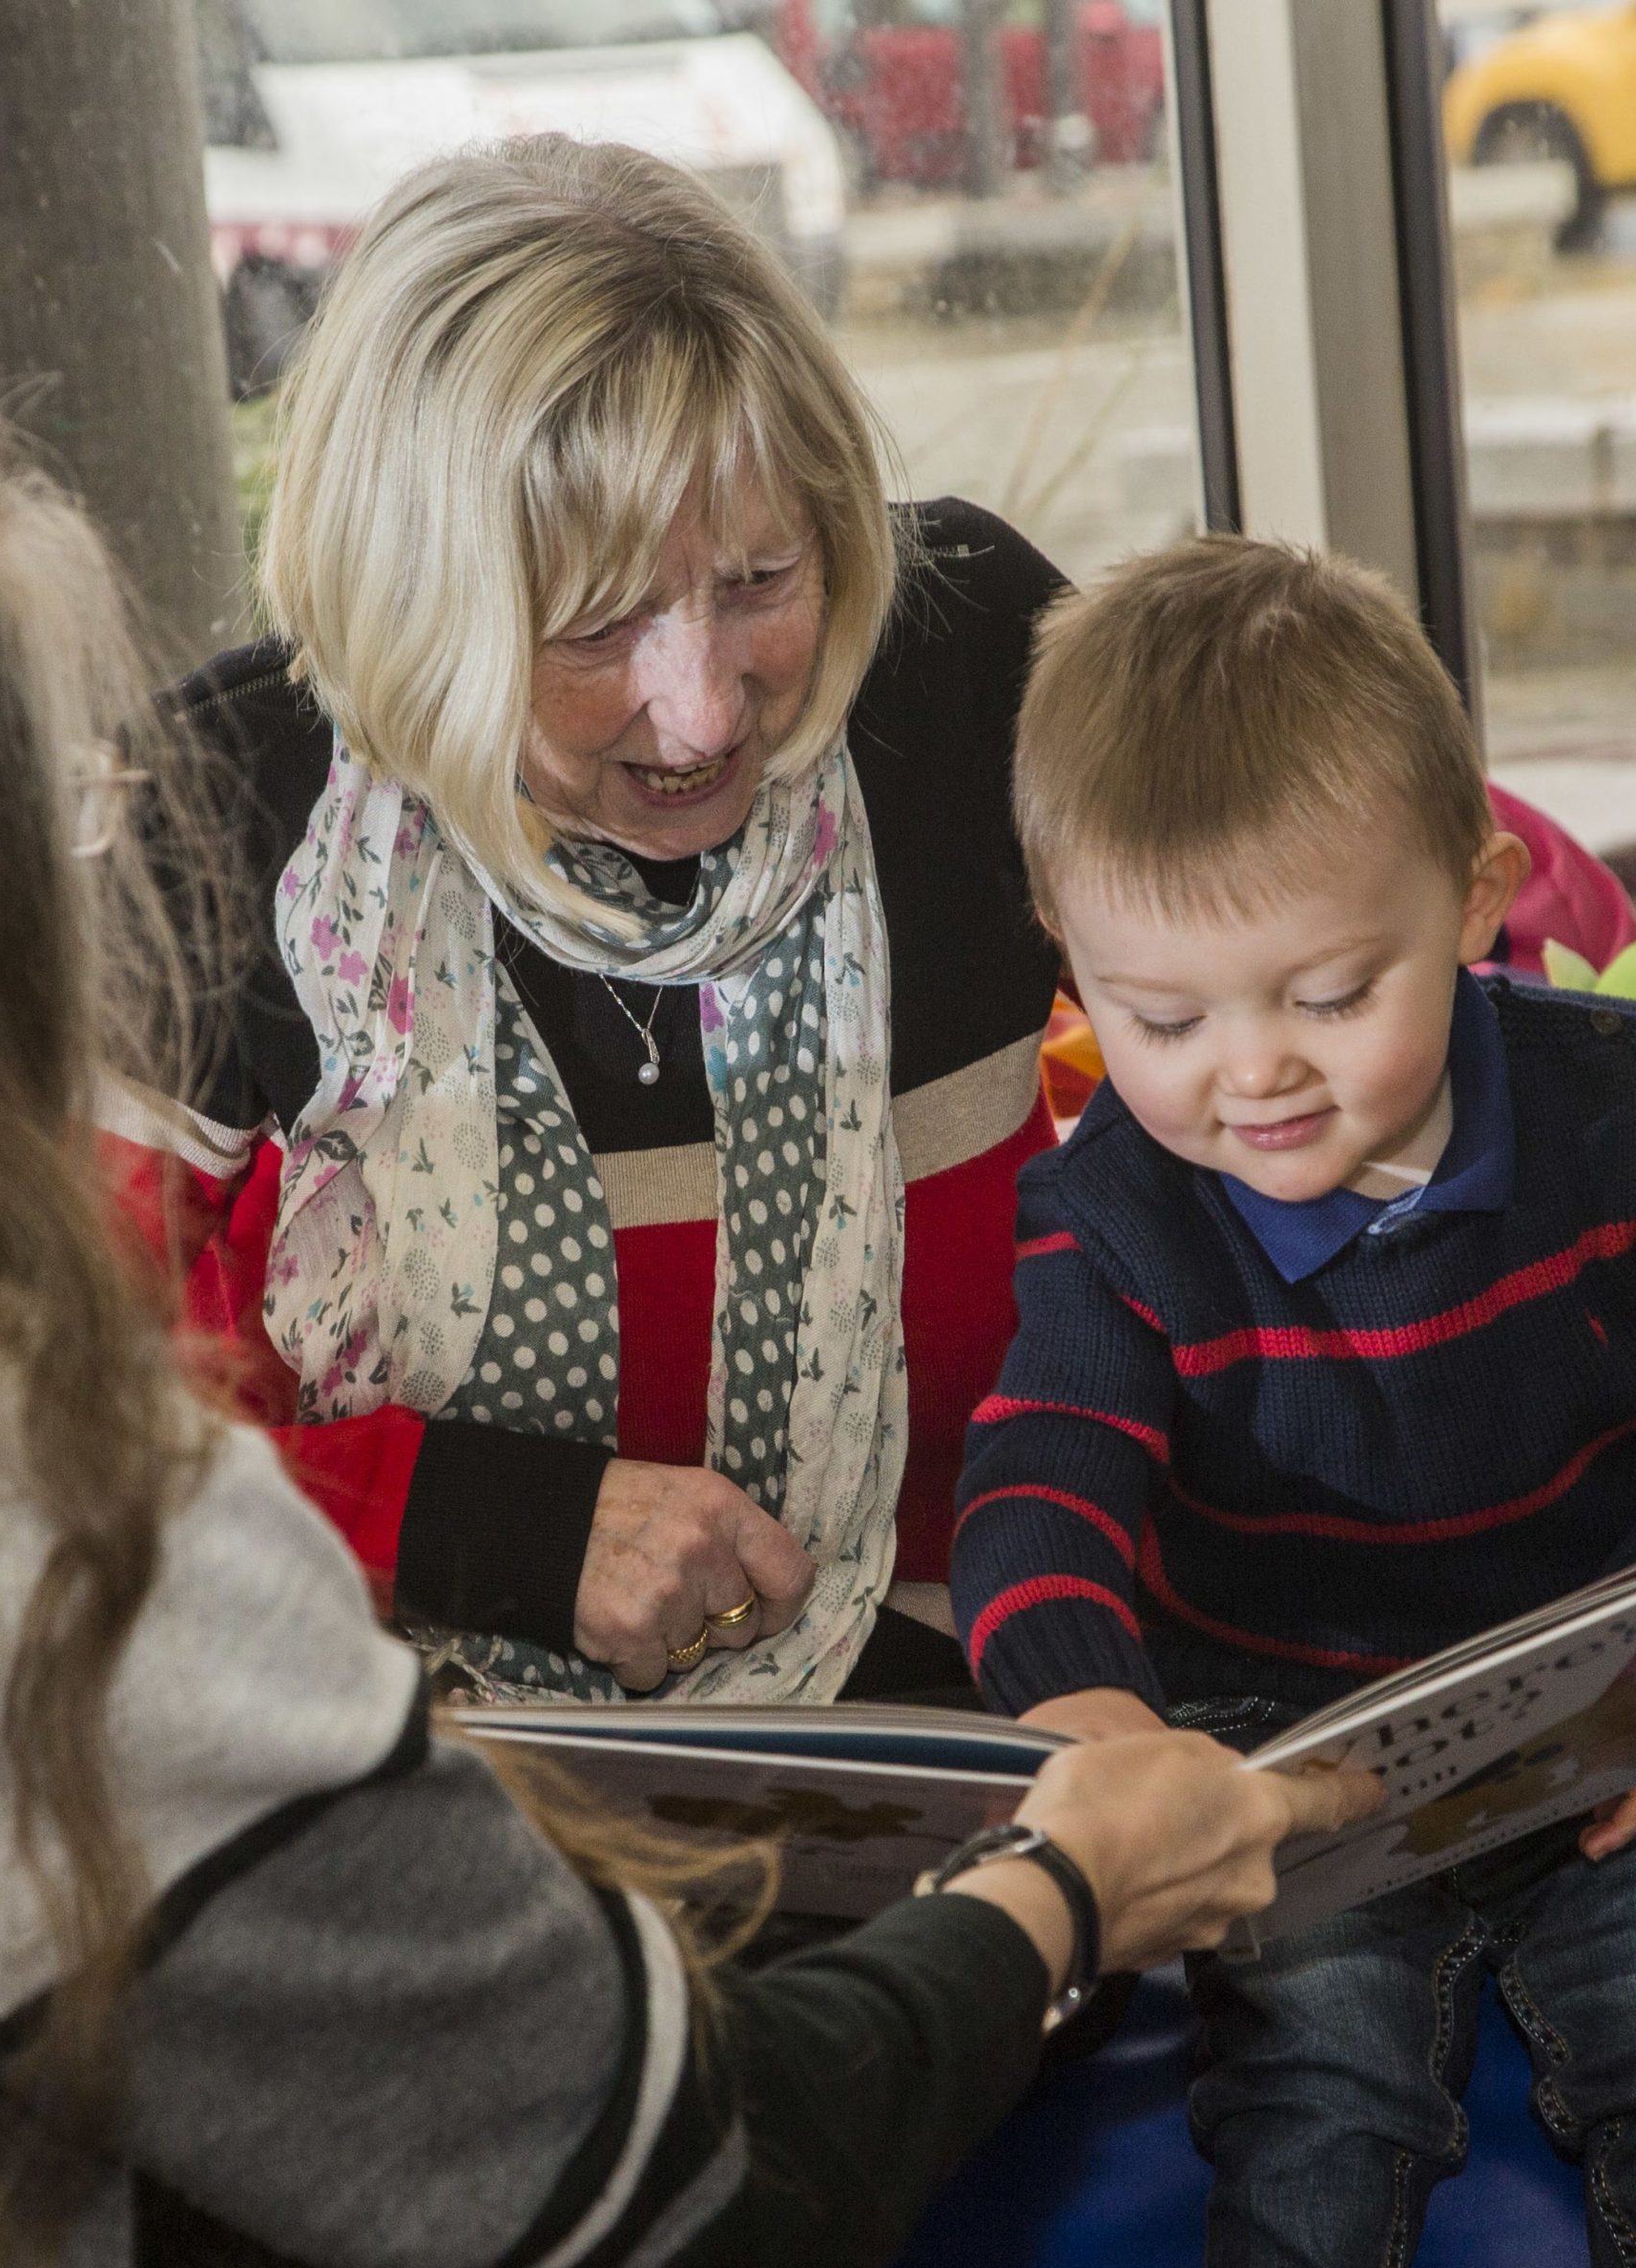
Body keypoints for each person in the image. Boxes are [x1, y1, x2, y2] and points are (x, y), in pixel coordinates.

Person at [0, 357, 1384, 2268]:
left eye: (760, 578)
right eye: (59, 805)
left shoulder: (972, 695)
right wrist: (1060, 1898)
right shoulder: (40, 1512)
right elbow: (691, 2188)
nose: (699, 706)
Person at [951, 534, 1636, 2268]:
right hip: (1285, 1735)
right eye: (1166, 1014)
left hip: (1606, 1673)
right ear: (1071, 955)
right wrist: (1106, 1726)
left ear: (1476, 897)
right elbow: (1042, 1477)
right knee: (1314, 2067)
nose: (1253, 1074)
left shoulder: (1625, 1105)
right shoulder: (1117, 1204)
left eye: (1326, 990)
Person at [105, 134, 1074, 1710]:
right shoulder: (215, 816)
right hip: (410, 1743)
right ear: (409, 596)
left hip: (1004, 1673)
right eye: (590, 624)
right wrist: (486, 1530)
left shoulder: (973, 661)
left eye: (763, 575)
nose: (699, 716)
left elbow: (1330, 1048)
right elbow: (21, 1432)